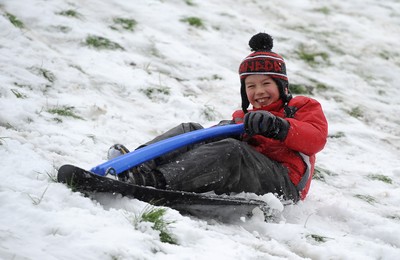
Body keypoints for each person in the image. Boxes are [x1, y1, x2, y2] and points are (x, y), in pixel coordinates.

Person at [109, 33, 328, 202]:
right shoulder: (243, 117)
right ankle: (135, 165)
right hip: (246, 170)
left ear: (282, 86)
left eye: (266, 83)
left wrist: (278, 126)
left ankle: (153, 182)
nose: (258, 91)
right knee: (192, 130)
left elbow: (315, 138)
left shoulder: (301, 107)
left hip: (283, 185)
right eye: (251, 86)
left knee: (232, 150)